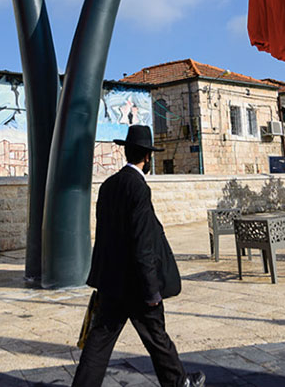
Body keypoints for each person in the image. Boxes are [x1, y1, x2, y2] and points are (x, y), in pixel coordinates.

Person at [73, 125, 205, 387]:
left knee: (99, 342)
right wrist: (151, 290)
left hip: (111, 282)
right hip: (136, 285)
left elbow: (106, 235)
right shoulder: (139, 189)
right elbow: (142, 242)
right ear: (147, 157)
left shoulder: (108, 186)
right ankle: (179, 383)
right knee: (157, 337)